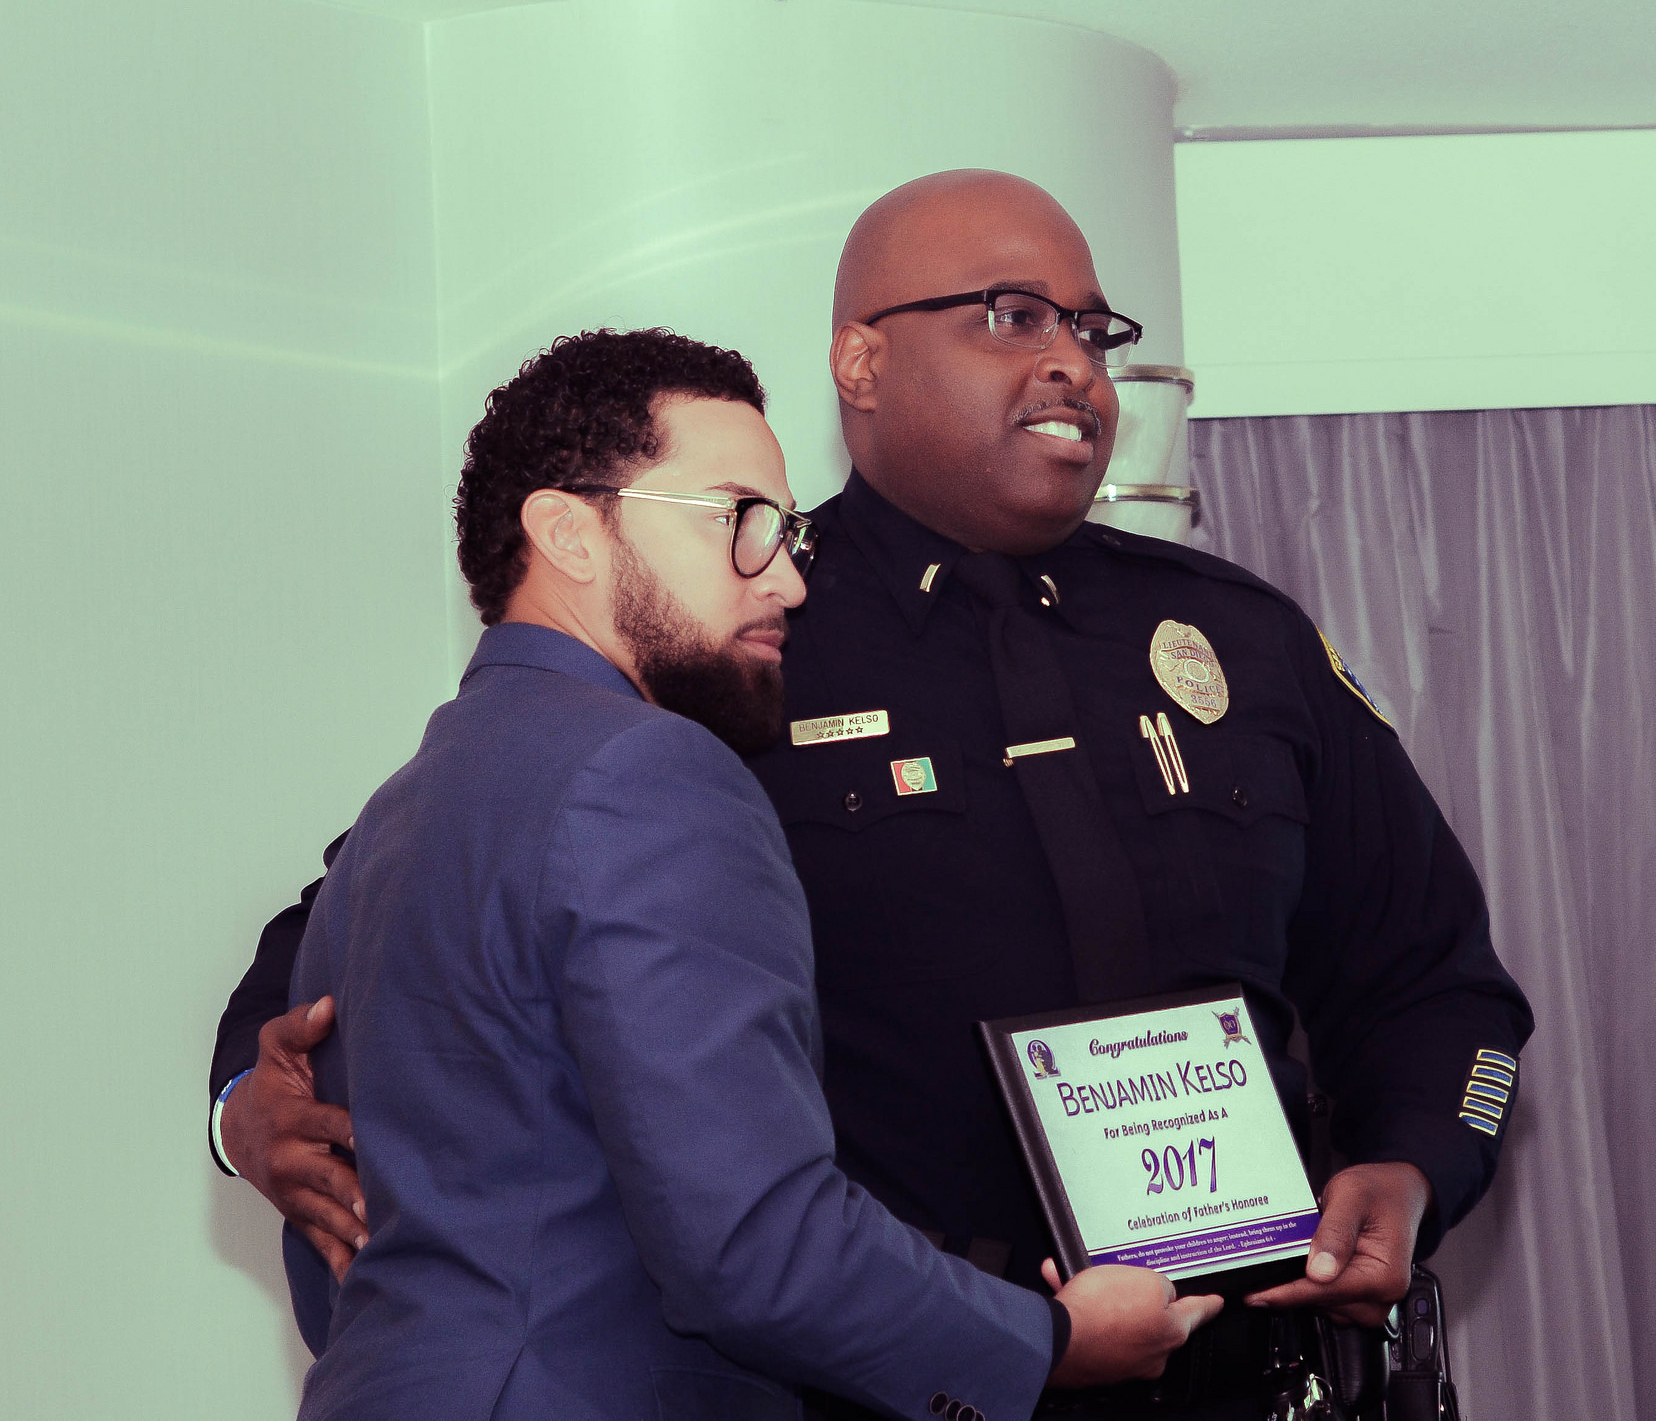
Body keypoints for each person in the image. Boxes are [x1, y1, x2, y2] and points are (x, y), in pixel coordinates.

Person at [210, 174, 1533, 1419]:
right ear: (859, 363)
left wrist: (1417, 1163)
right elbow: (403, 906)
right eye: (1010, 315)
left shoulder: (1241, 639)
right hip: (905, 1373)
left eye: (1090, 328)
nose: (1070, 361)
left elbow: (1438, 978)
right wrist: (246, 1110)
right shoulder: (725, 647)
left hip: (1250, 1367)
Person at [270, 328, 1214, 1421]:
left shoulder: (401, 808)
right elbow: (753, 1243)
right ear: (567, 533)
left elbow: (339, 1253)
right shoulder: (649, 773)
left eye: (790, 531)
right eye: (738, 519)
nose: (789, 578)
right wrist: (1048, 1343)